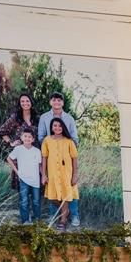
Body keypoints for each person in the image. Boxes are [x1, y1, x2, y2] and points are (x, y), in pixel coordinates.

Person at [37, 92, 80, 226]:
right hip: (51, 159)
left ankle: (74, 216)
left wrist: (65, 147)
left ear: (62, 103)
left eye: (59, 100)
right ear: (50, 102)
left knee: (69, 188)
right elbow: (41, 137)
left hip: (67, 160)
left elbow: (74, 138)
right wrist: (52, 146)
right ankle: (56, 215)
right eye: (54, 100)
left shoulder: (69, 118)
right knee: (53, 189)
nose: (56, 102)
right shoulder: (44, 117)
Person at [0, 93, 38, 191]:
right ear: (19, 103)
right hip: (20, 155)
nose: (25, 103)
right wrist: (11, 142)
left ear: (31, 102)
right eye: (22, 101)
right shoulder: (15, 117)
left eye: (27, 101)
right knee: (22, 185)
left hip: (34, 154)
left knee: (35, 185)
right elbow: (2, 131)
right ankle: (23, 205)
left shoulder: (37, 118)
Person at [7, 127, 42, 225]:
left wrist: (44, 176)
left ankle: (37, 220)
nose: (27, 138)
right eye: (25, 136)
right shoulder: (18, 149)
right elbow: (9, 159)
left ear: (33, 139)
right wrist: (17, 171)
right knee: (24, 201)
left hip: (35, 180)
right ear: (22, 138)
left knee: (36, 201)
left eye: (30, 137)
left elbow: (40, 166)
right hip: (23, 179)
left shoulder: (37, 151)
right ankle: (25, 220)